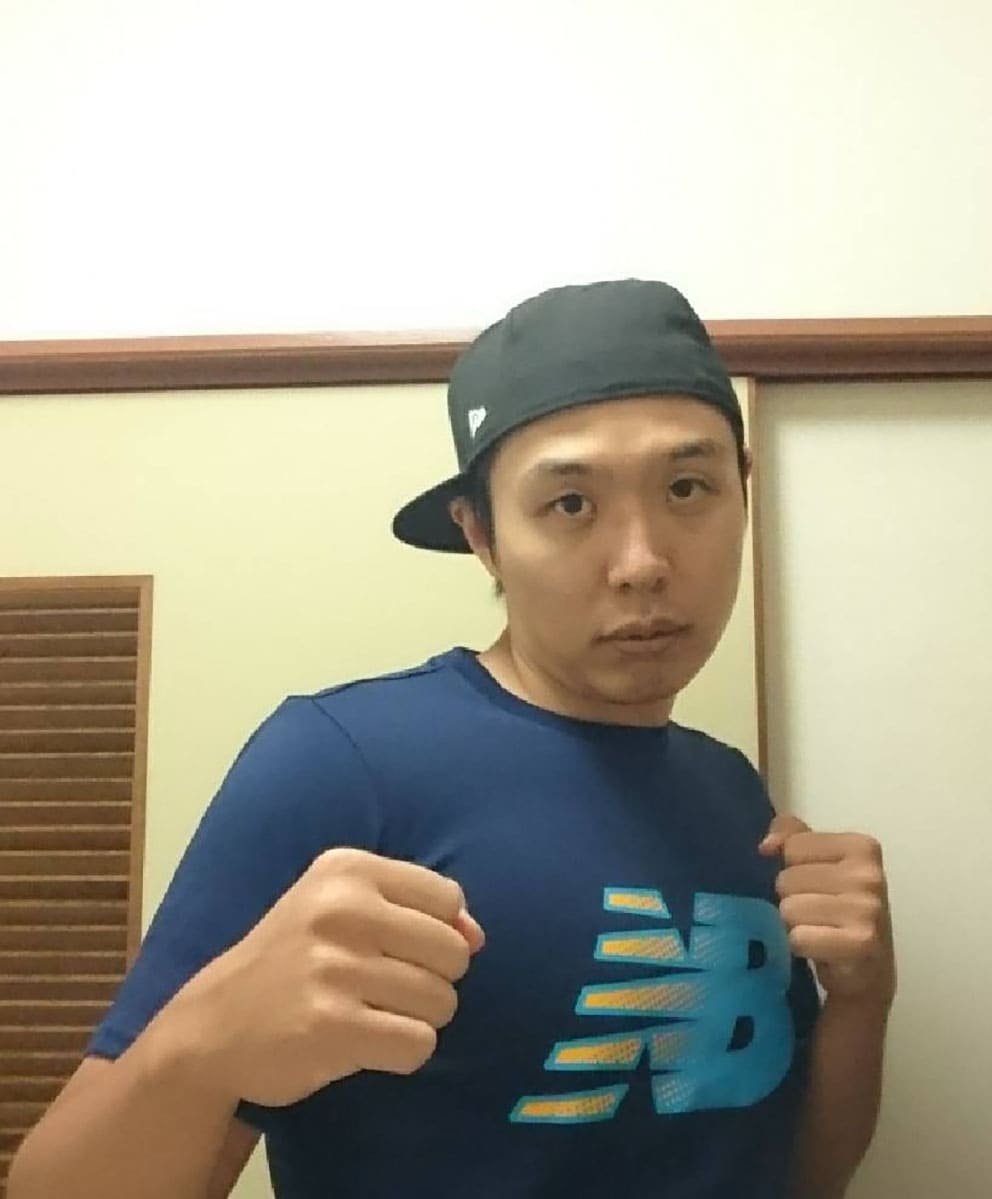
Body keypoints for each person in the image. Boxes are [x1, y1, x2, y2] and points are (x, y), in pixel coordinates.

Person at [10, 279, 896, 1199]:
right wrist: (203, 1043)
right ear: (481, 534)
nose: (642, 562)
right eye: (571, 504)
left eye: (686, 487)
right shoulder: (341, 762)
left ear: (741, 492)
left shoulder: (731, 791)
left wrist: (864, 998)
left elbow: (800, 1176)